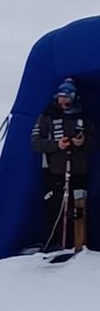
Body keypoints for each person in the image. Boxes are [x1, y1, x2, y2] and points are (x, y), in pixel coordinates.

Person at [30, 77, 96, 251]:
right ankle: (52, 245)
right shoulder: (47, 116)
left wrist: (83, 142)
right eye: (60, 97)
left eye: (66, 97)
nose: (63, 101)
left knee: (79, 208)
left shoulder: (84, 118)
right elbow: (35, 142)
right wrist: (56, 145)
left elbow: (94, 142)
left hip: (79, 171)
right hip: (55, 172)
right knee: (54, 209)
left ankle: (79, 245)